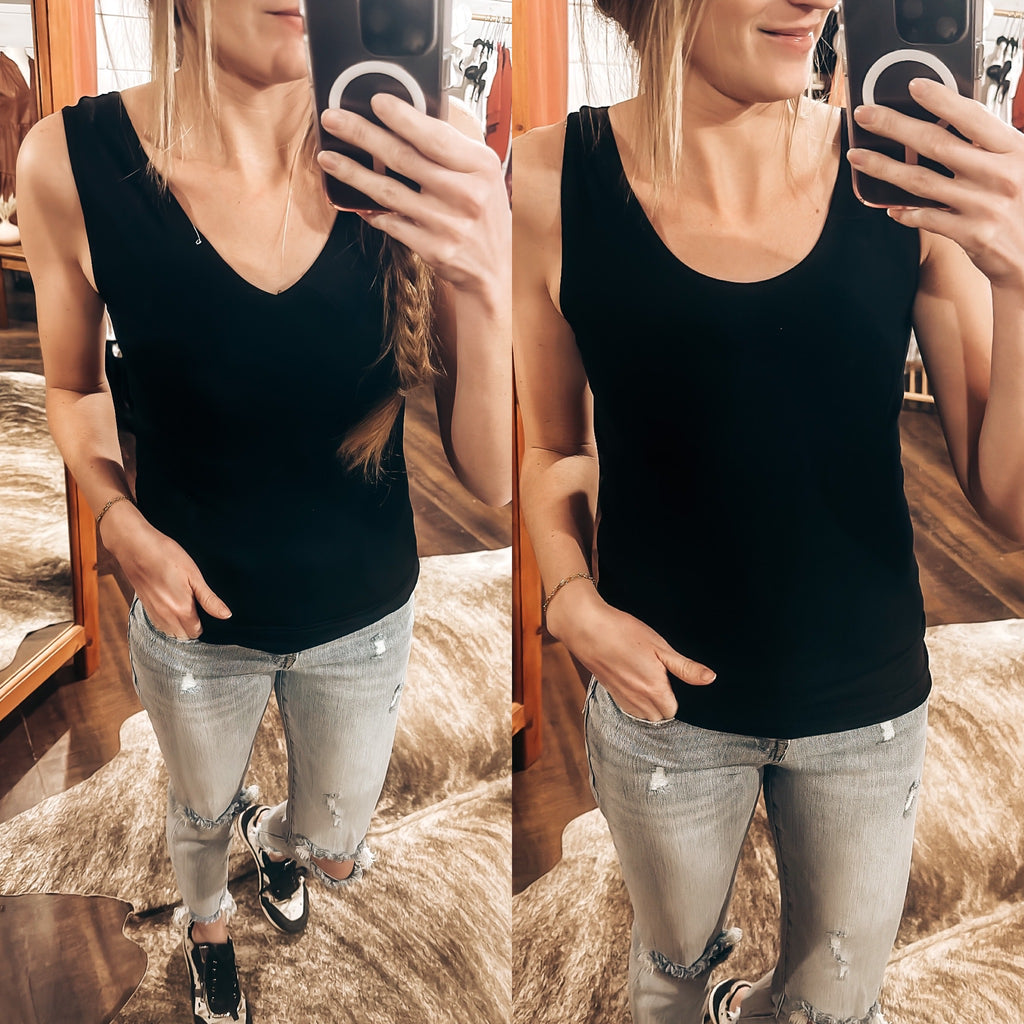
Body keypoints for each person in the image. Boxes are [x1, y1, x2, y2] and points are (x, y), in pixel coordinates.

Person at [513, 2, 1024, 1023]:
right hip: (662, 709)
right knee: (669, 968)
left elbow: (1007, 501)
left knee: (835, 1002)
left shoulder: (903, 177)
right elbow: (551, 447)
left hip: (865, 706)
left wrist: (1018, 278)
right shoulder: (546, 178)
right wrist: (569, 601)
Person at [17, 1, 510, 1021]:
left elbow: (491, 477)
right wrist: (117, 521)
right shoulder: (68, 164)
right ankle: (207, 930)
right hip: (191, 615)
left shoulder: (430, 145)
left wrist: (488, 278)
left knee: (333, 838)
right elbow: (72, 386)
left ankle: (276, 840)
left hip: (364, 612)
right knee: (198, 806)